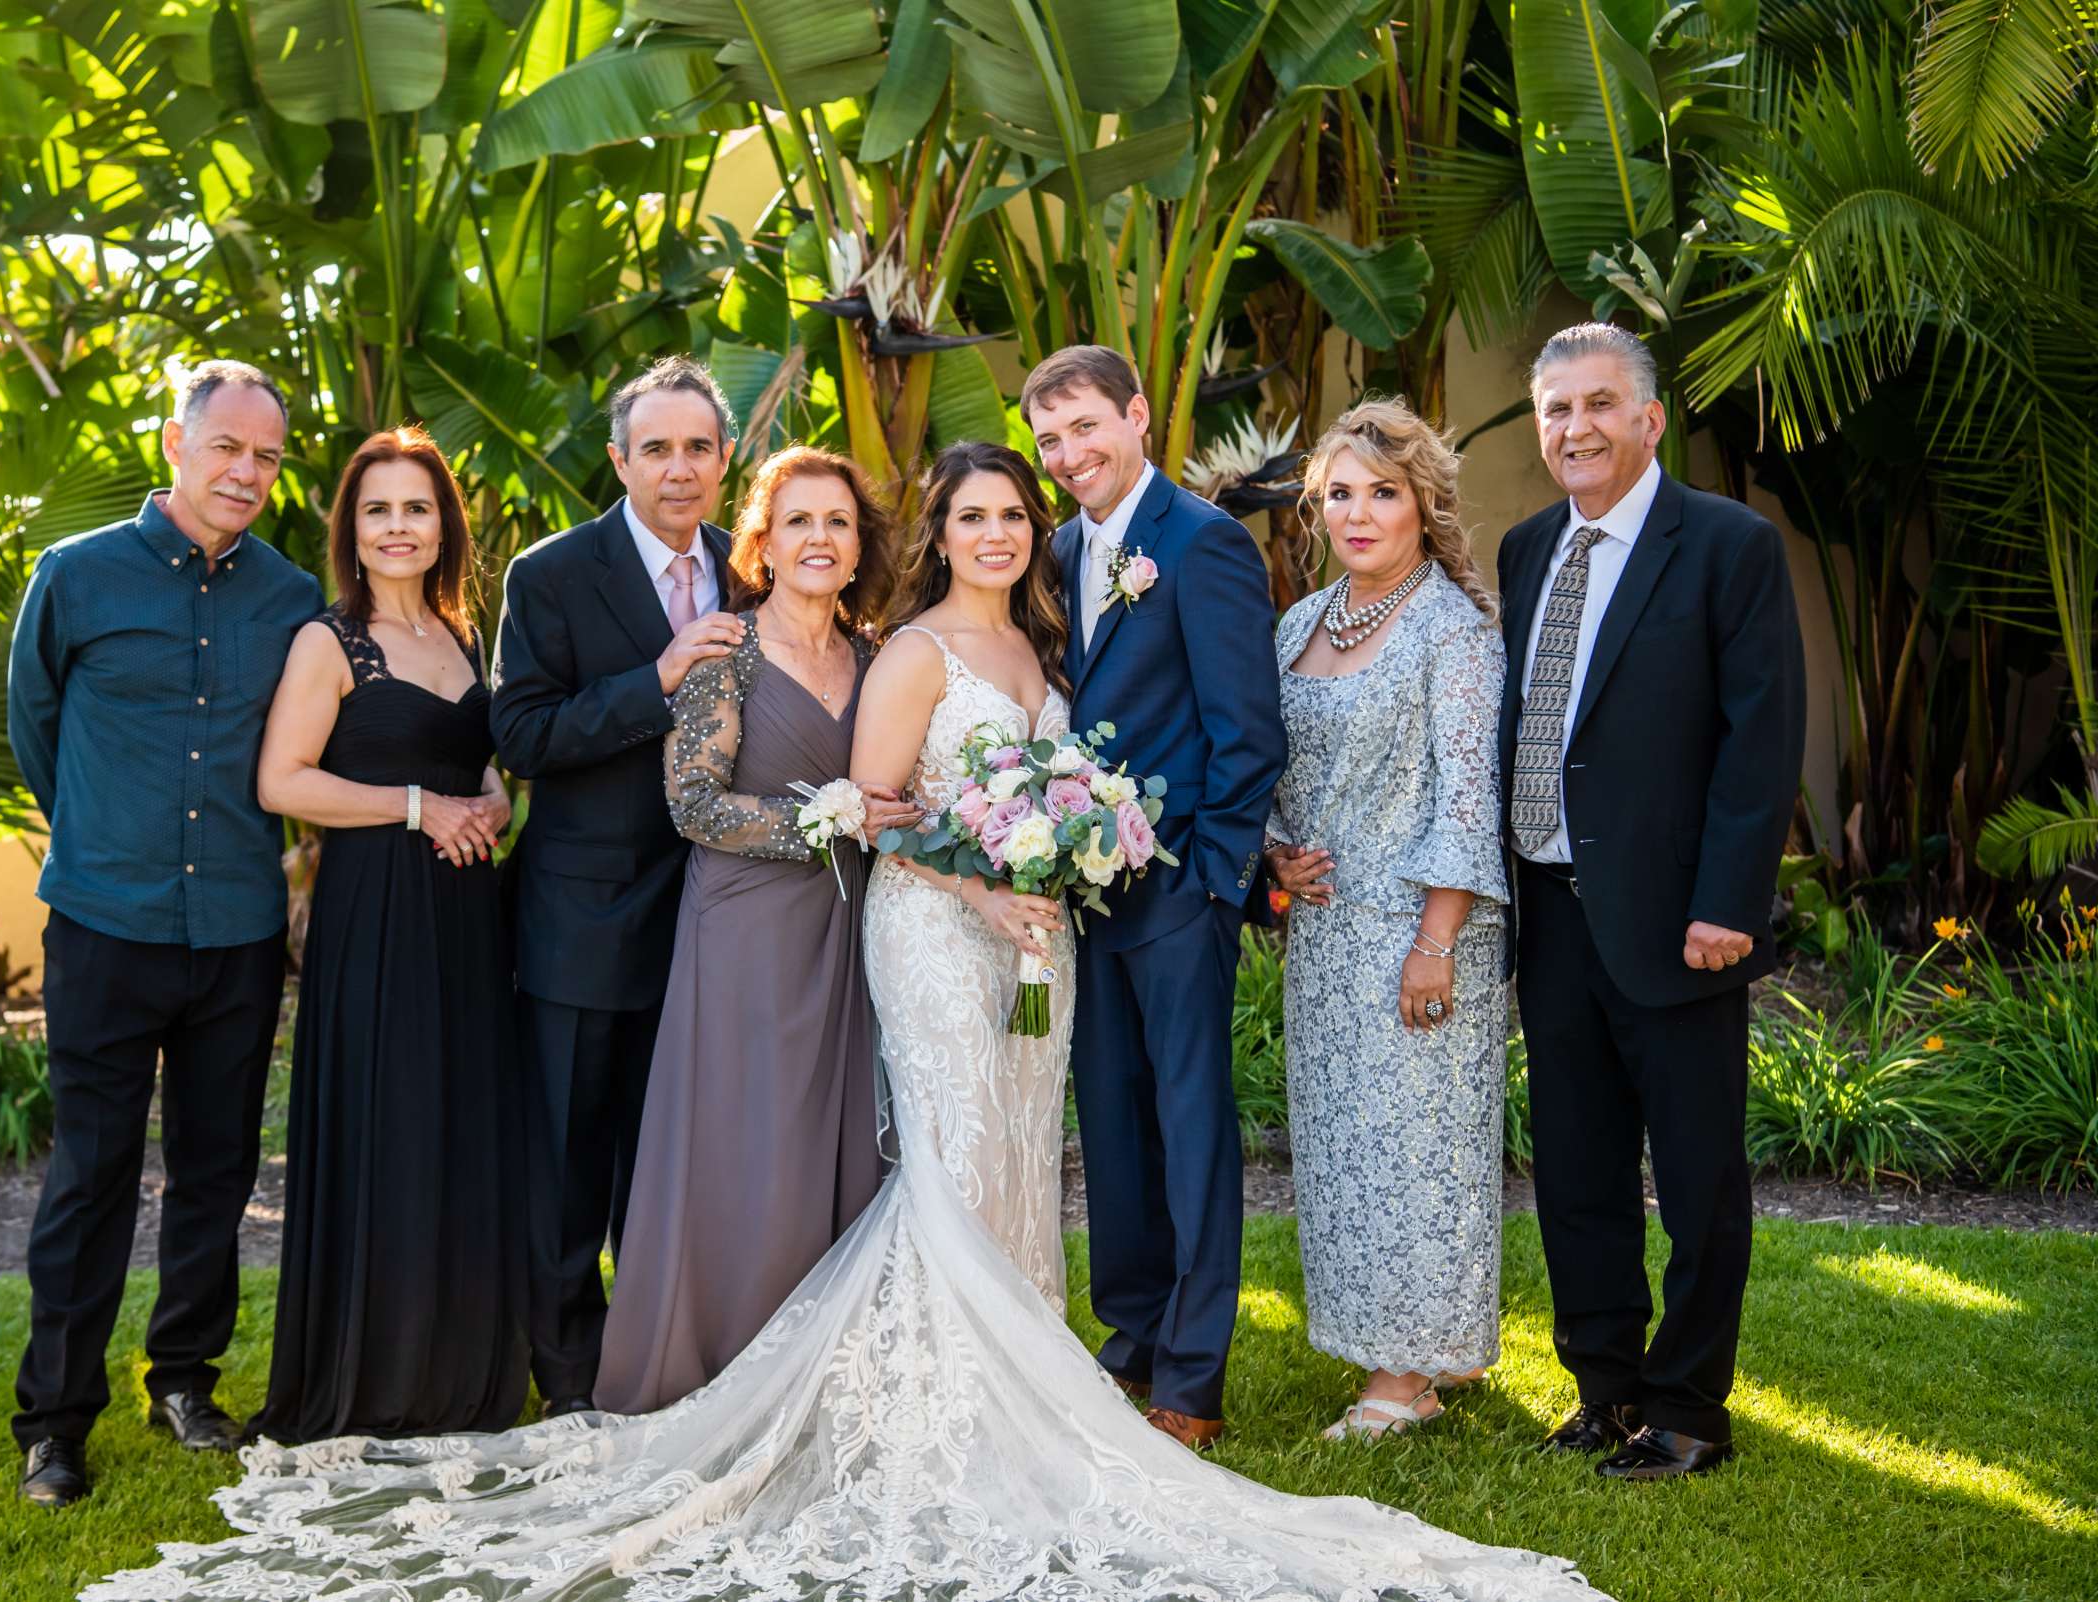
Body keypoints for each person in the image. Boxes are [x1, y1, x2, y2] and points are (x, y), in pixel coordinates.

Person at [85, 440, 1604, 1602]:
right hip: (924, 937)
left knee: (1001, 1165)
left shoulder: (1027, 650)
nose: (997, 534)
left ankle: (1021, 1377)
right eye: (971, 516)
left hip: (1029, 937)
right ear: (925, 536)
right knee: (937, 1161)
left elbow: (997, 789)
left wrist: (1060, 860)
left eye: (1014, 514)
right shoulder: (872, 653)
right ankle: (931, 1403)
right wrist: (961, 869)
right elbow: (843, 811)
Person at [3, 360, 321, 1507]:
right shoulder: (75, 577)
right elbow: (34, 729)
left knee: (216, 1168)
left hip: (234, 927)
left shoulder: (289, 598)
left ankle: (183, 1377)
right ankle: (54, 1421)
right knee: (90, 1175)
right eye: (227, 447)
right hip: (103, 920)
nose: (247, 471)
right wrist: (104, 836)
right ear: (175, 444)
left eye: (268, 456)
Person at [1499, 323, 1805, 1480]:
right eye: (1555, 411)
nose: (1574, 429)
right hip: (1550, 911)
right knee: (1576, 1170)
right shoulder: (1529, 549)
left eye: (1596, 406)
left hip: (1680, 918)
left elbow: (1760, 737)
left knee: (1696, 1178)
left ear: (1649, 419)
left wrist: (1729, 899)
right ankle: (1606, 1388)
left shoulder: (1728, 546)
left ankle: (1687, 1407)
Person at [592, 446, 891, 1414]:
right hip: (747, 930)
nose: (819, 538)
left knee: (837, 1132)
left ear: (858, 546)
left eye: (838, 522)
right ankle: (722, 1362)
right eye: (798, 520)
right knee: (749, 1133)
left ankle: (827, 1371)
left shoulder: (880, 655)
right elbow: (694, 806)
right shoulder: (728, 653)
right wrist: (832, 820)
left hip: (851, 931)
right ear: (763, 539)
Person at [245, 426, 527, 1443]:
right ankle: (377, 1376)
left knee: (460, 1120)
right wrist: (419, 808)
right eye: (378, 511)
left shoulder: (461, 634)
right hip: (377, 912)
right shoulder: (330, 641)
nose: (399, 526)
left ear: (443, 524)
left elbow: (481, 764)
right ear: (351, 532)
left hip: (466, 915)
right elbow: (285, 780)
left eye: (417, 507)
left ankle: (464, 1368)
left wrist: (488, 803)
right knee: (390, 1123)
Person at [1026, 345, 1283, 1449]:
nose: (1071, 455)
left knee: (1189, 1132)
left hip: (1180, 896)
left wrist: (1217, 886)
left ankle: (1192, 1372)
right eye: (1050, 441)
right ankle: (1129, 1337)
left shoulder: (1204, 544)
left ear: (1135, 416)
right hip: (1084, 898)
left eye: (1087, 428)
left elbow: (1246, 732)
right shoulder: (1051, 551)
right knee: (1115, 1129)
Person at [488, 356, 745, 1416]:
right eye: (656, 450)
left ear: (726, 459)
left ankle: (659, 1359)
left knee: (677, 1161)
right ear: (618, 459)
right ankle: (566, 1377)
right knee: (569, 1167)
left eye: (697, 448)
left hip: (718, 920)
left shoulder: (755, 566)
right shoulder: (550, 575)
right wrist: (659, 677)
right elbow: (521, 736)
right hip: (585, 923)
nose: (677, 470)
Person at [1261, 401, 1509, 1441]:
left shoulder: (1454, 631)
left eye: (1384, 493)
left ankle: (1406, 1377)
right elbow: (1278, 769)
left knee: (1421, 1150)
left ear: (1425, 503)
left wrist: (1436, 941)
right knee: (1346, 1149)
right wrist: (1278, 851)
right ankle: (1392, 1352)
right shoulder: (1299, 621)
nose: (1358, 514)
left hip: (1420, 933)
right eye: (1341, 494)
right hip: (1326, 934)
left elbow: (1467, 798)